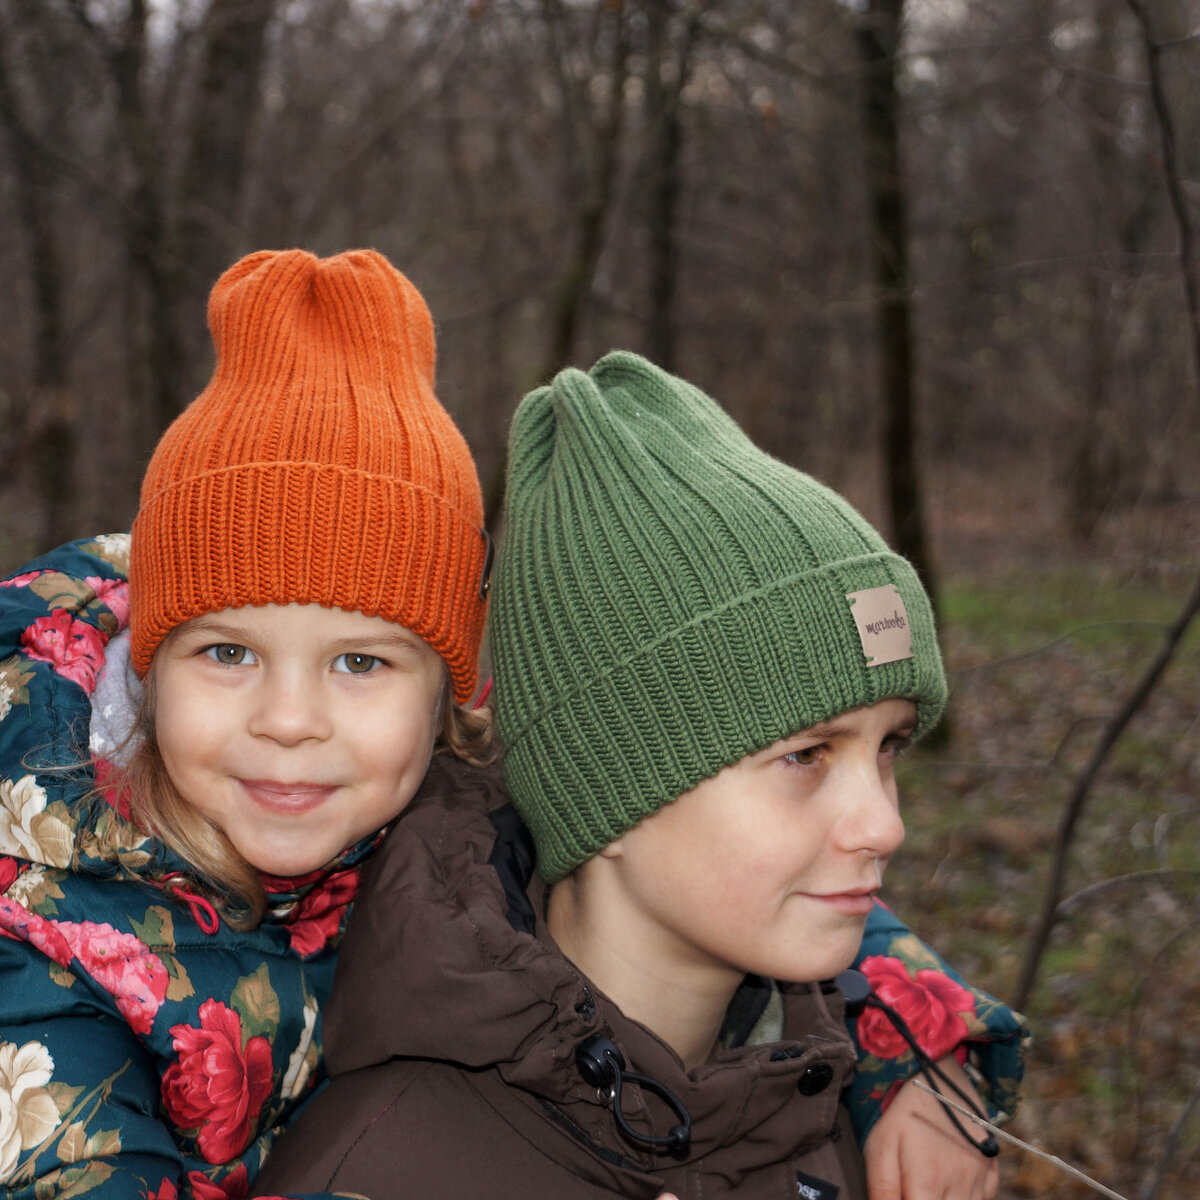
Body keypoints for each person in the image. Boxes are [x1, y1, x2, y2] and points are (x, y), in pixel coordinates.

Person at [252, 352, 1028, 1200]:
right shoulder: (380, 1172)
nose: (884, 825)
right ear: (605, 791)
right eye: (806, 756)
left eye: (889, 748)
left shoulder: (831, 1099)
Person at [0, 248, 495, 1199]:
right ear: (147, 665)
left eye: (360, 662)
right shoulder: (44, 952)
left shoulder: (458, 818)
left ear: (444, 698)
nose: (290, 720)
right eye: (228, 653)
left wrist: (878, 1065)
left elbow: (726, 878)